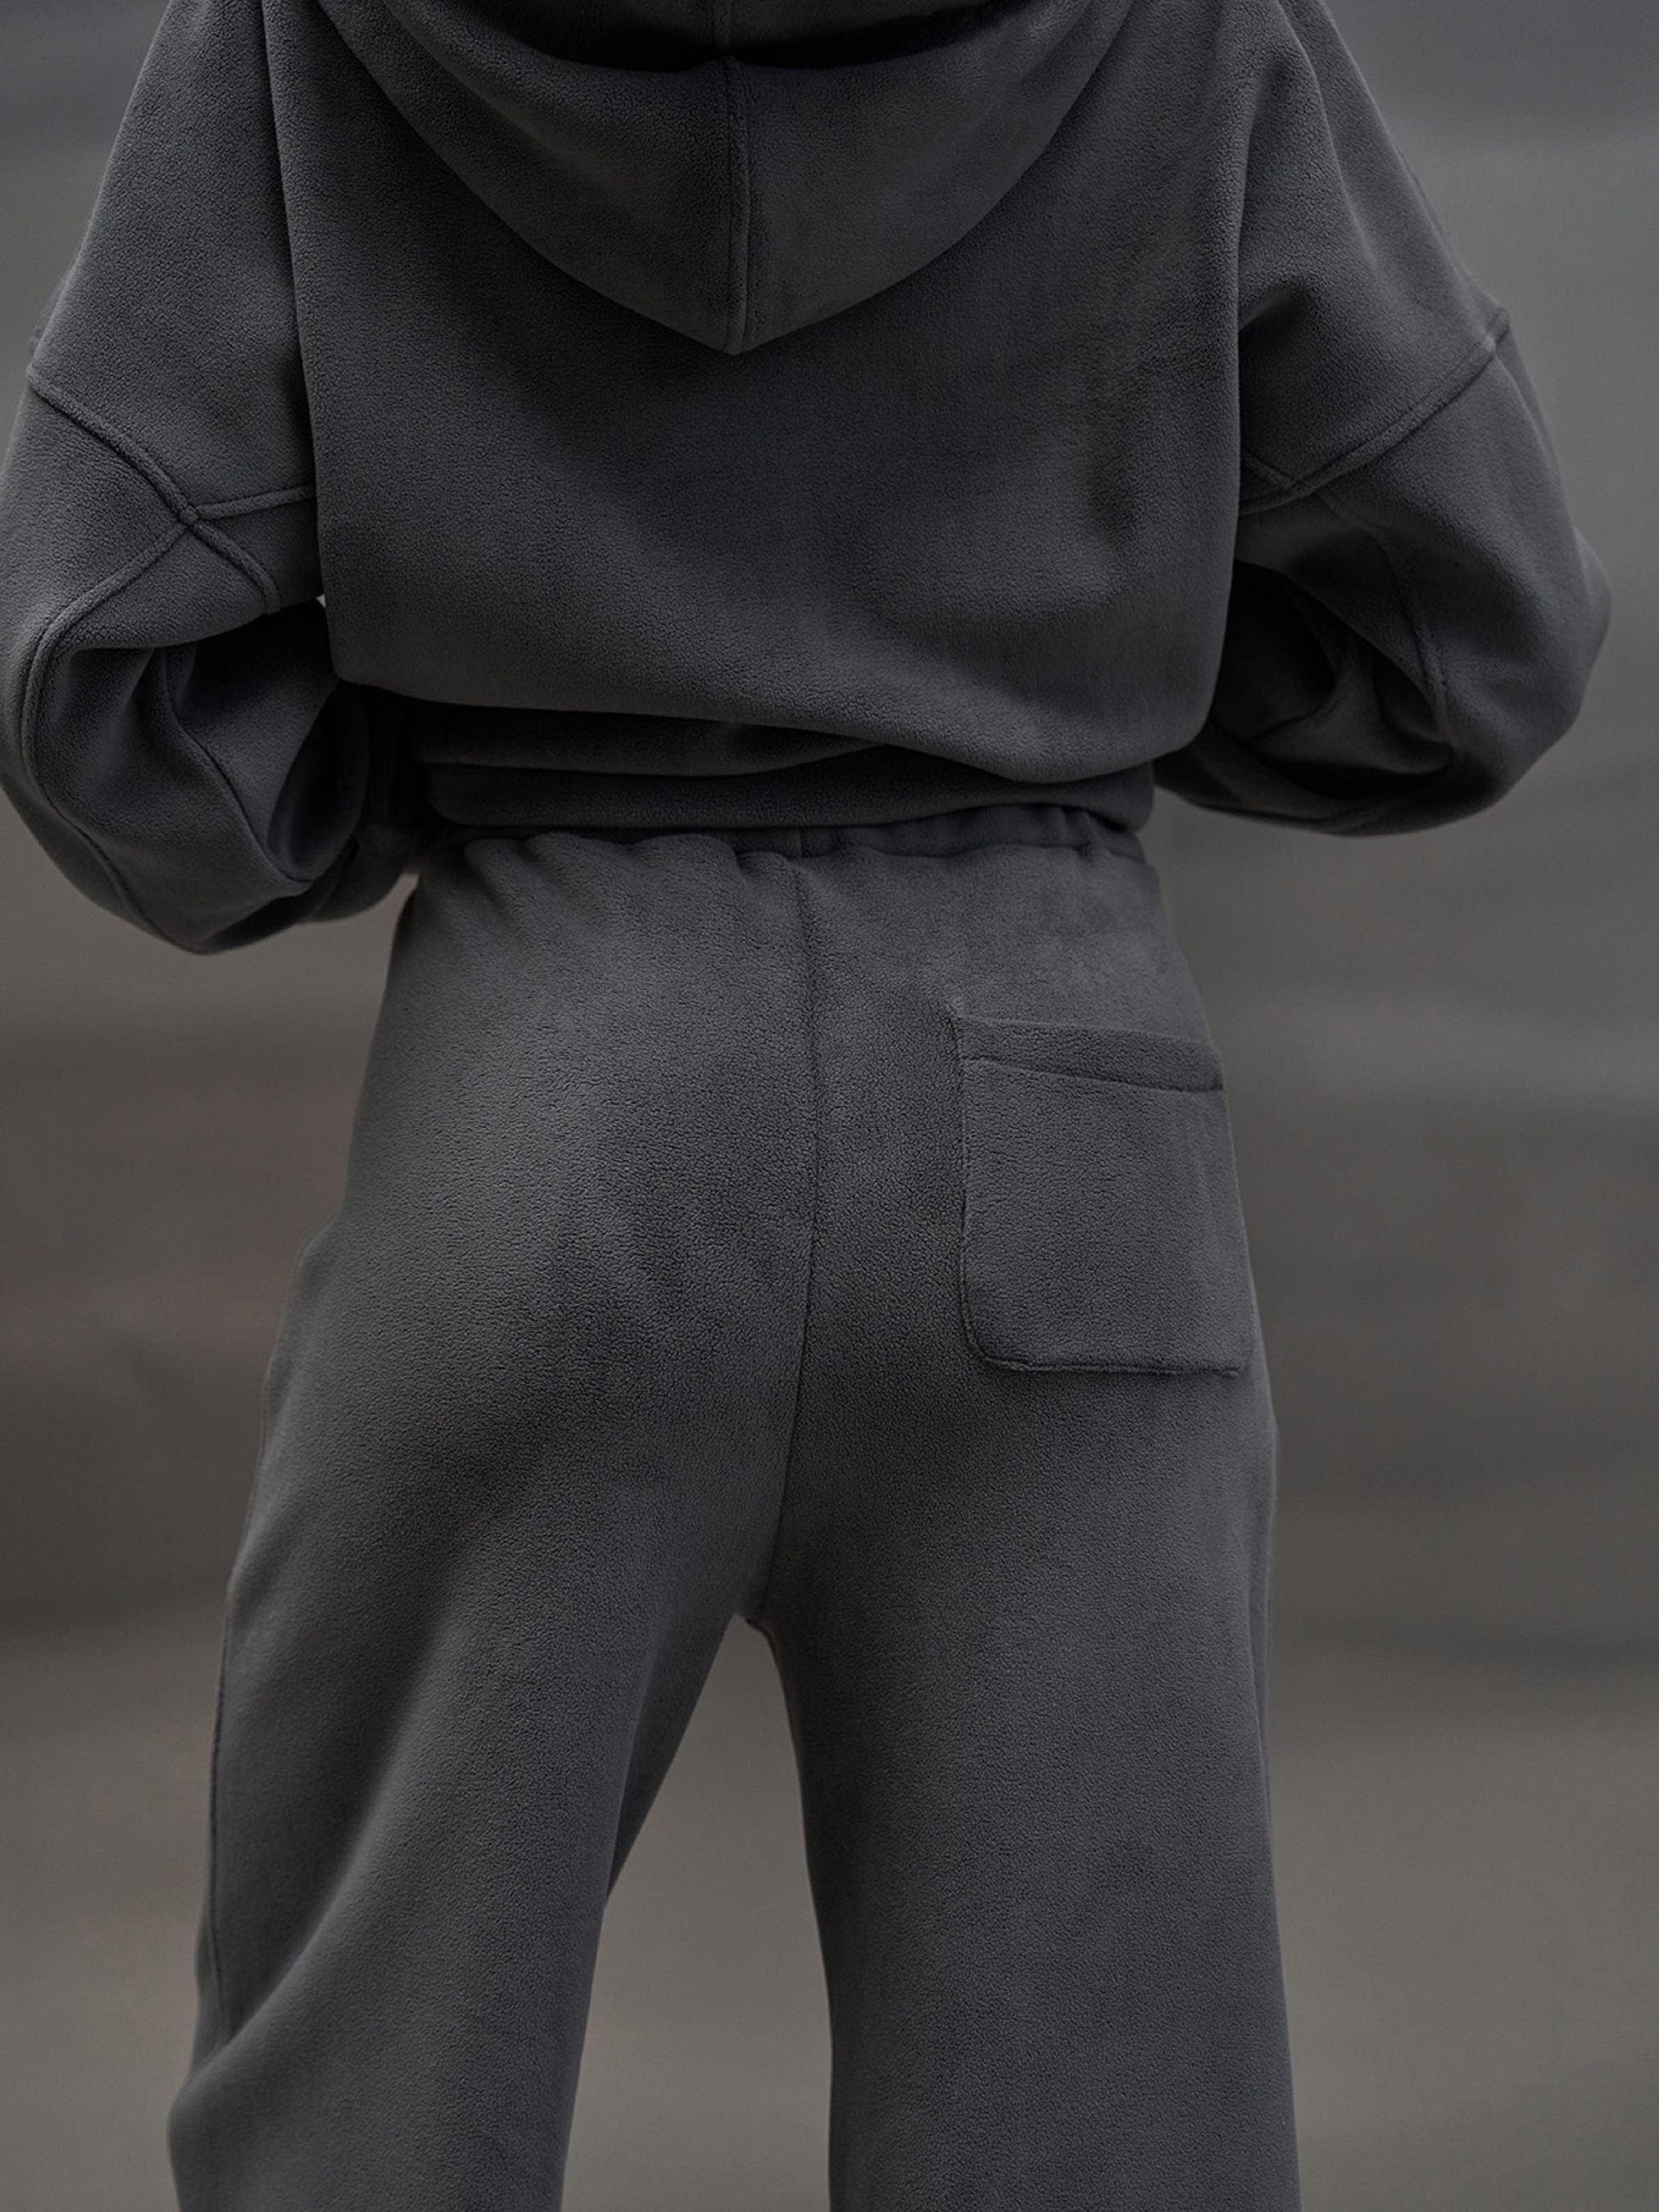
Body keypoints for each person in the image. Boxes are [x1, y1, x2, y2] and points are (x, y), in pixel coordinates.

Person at [0, 0, 1610, 2205]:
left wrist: (438, 768)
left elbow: (95, 668)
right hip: (1059, 1107)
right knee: (1101, 2145)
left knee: (360, 2118)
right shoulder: (1190, 27)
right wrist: (1069, 695)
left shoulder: (296, 31)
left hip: (548, 1091)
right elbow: (1479, 629)